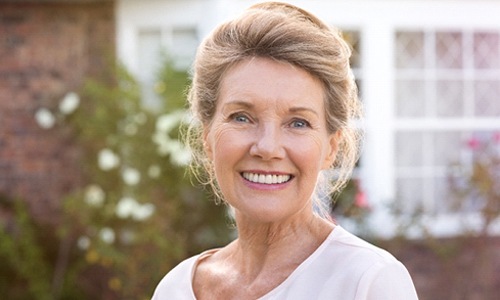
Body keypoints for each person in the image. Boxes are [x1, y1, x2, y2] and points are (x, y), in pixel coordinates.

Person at [152, 2, 419, 299]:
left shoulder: (368, 282)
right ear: (207, 137)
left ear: (331, 147)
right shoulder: (175, 289)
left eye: (298, 123)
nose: (267, 147)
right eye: (242, 117)